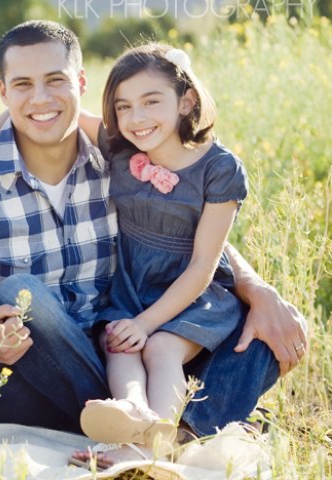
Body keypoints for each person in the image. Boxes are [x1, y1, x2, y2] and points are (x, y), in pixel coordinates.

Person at [0, 19, 307, 457]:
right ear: (3, 93)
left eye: (55, 81)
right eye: (22, 84)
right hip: (9, 378)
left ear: (80, 84)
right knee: (22, 296)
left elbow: (184, 234)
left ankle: (151, 428)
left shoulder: (123, 160)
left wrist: (256, 289)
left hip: (116, 351)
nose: (40, 98)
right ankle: (187, 416)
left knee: (262, 333)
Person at [72, 43, 250, 464]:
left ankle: (155, 444)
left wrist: (147, 322)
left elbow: (204, 264)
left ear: (186, 100)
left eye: (152, 102)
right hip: (133, 285)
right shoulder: (120, 147)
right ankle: (134, 413)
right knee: (119, 344)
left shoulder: (219, 168)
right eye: (124, 107)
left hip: (191, 291)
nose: (137, 118)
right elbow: (55, 109)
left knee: (160, 348)